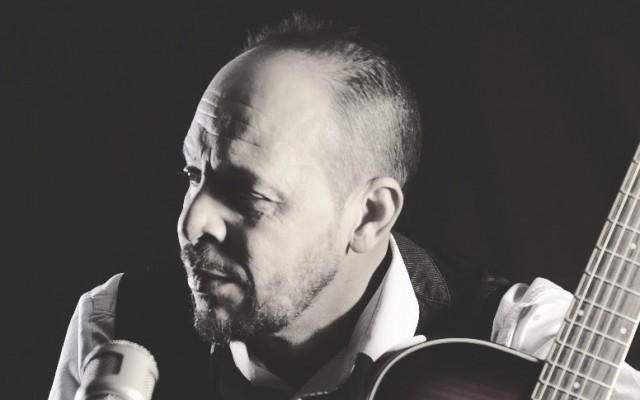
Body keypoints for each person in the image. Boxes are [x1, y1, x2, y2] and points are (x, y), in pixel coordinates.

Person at [49, 13, 640, 400]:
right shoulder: (119, 324)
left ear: (370, 215)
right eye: (193, 174)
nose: (192, 222)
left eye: (249, 195)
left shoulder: (524, 347)